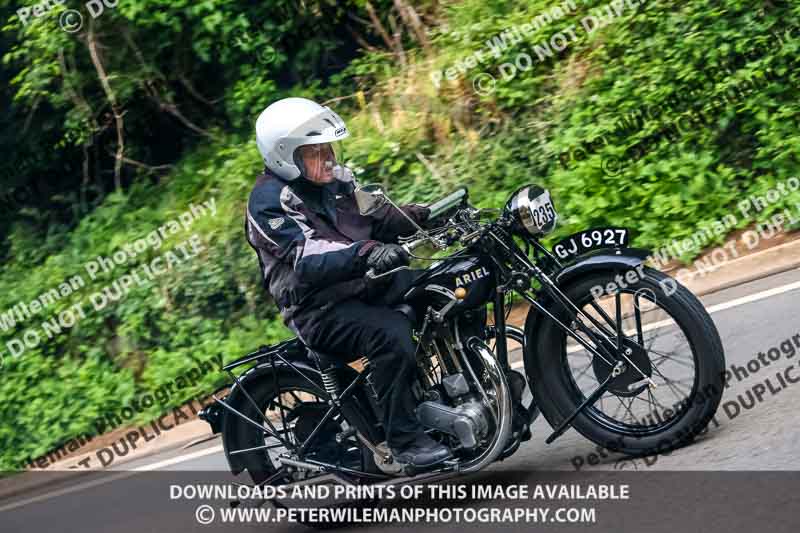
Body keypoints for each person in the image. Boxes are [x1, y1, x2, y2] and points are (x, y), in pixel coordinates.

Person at [245, 97, 452, 468]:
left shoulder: (338, 181)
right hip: (319, 309)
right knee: (389, 334)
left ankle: (453, 393)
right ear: (284, 156)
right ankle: (404, 440)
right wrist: (367, 252)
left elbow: (381, 213)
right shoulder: (268, 202)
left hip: (365, 285)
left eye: (328, 148)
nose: (327, 158)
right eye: (315, 152)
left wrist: (432, 215)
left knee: (442, 287)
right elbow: (306, 256)